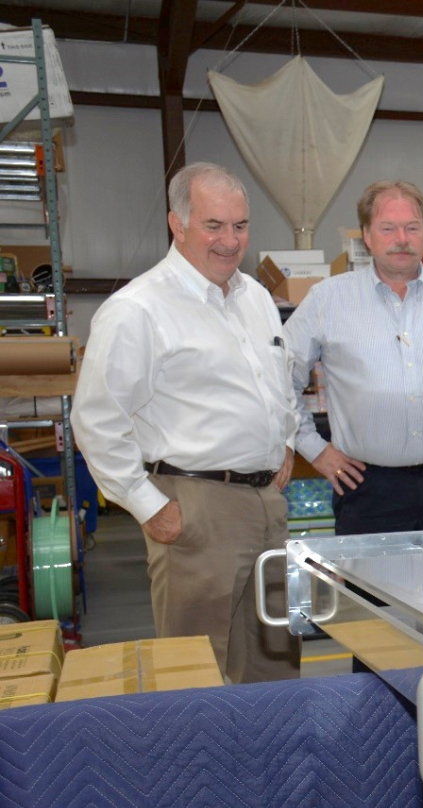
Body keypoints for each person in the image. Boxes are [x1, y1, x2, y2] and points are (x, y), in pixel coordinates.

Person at [72, 161, 299, 683]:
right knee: (195, 669)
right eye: (213, 226)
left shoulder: (256, 298)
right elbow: (98, 419)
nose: (230, 241)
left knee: (273, 656)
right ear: (177, 224)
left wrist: (285, 442)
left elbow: (278, 379)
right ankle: (200, 767)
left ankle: (270, 763)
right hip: (195, 505)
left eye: (240, 226)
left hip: (266, 503)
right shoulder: (138, 309)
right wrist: (147, 504)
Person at [285, 181, 423, 569]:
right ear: (367, 236)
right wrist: (313, 449)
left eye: (413, 227)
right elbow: (278, 380)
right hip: (367, 490)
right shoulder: (327, 300)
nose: (402, 239)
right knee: (374, 615)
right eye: (388, 228)